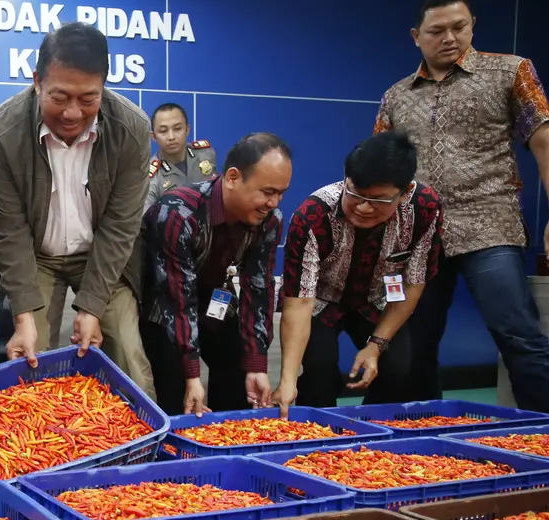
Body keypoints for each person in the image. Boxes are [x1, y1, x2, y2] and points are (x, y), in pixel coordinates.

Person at [374, 0, 549, 412]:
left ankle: (547, 438)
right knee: (413, 345)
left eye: (460, 27)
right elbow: (380, 166)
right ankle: (424, 437)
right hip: (418, 235)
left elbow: (545, 138)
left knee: (518, 335)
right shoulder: (396, 96)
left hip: (490, 223)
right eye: (437, 31)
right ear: (417, 37)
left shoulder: (510, 71)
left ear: (472, 23)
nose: (450, 38)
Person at [0, 22, 155, 395]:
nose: (73, 113)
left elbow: (120, 227)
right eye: (59, 98)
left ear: (104, 87)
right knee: (28, 360)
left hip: (101, 254)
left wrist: (90, 309)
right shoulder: (2, 131)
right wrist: (25, 316)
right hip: (35, 256)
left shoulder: (132, 128)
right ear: (37, 81)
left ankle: (143, 451)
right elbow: (8, 231)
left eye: (88, 99)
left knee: (127, 353)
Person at [273, 131, 444, 415]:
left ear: (405, 193)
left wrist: (376, 346)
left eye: (378, 200)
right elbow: (300, 301)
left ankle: (372, 436)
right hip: (320, 302)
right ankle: (318, 440)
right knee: (319, 370)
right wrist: (288, 380)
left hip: (378, 298)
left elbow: (414, 281)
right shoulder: (312, 215)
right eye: (356, 194)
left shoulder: (425, 209)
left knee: (398, 368)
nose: (364, 207)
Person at [140, 133, 292, 416]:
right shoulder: (177, 212)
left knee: (239, 368)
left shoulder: (271, 221)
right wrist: (192, 375)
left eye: (281, 193)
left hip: (213, 298)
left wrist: (256, 364)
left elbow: (258, 290)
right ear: (233, 177)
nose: (274, 203)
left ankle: (229, 442)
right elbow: (177, 298)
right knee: (176, 391)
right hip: (160, 304)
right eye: (267, 192)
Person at [144, 103, 218, 212]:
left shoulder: (206, 153)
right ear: (154, 137)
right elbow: (146, 222)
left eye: (177, 128)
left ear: (187, 130)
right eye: (163, 131)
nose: (171, 137)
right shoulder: (150, 177)